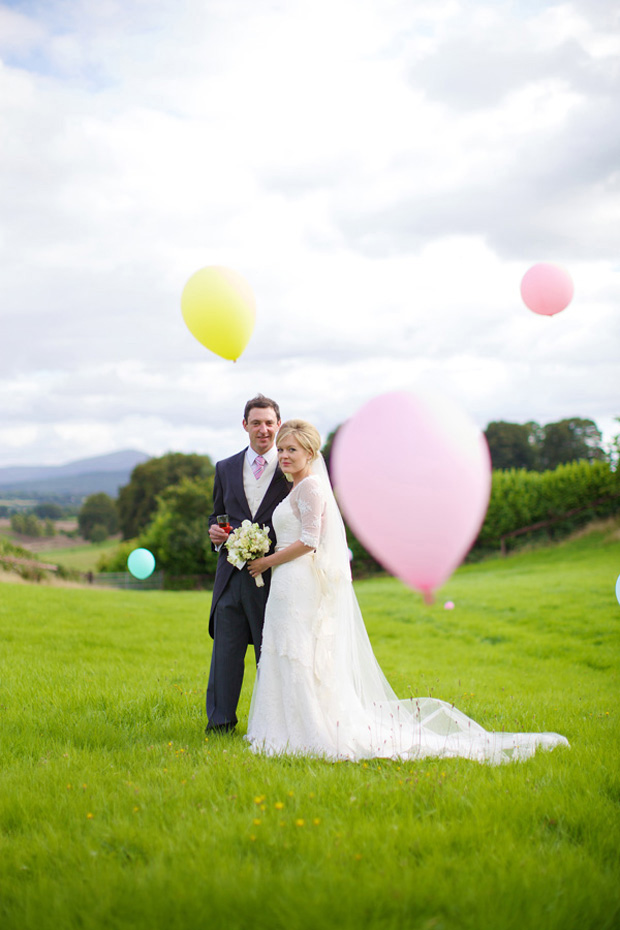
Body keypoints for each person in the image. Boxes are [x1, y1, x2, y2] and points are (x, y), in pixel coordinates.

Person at [245, 419, 569, 763]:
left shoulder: (310, 487)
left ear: (310, 452)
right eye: (280, 449)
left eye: (291, 449)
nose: (283, 455)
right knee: (285, 650)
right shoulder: (295, 489)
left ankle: (309, 731)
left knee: (299, 653)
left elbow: (309, 541)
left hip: (297, 581)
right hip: (285, 583)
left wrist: (268, 562)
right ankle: (279, 728)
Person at [206, 394, 290, 733]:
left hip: (274, 577)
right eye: (256, 422)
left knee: (269, 656)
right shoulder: (224, 468)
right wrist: (213, 532)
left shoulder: (291, 468)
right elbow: (216, 514)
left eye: (269, 422)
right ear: (245, 426)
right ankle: (220, 725)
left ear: (278, 425)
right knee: (225, 656)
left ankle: (274, 725)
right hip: (229, 578)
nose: (263, 429)